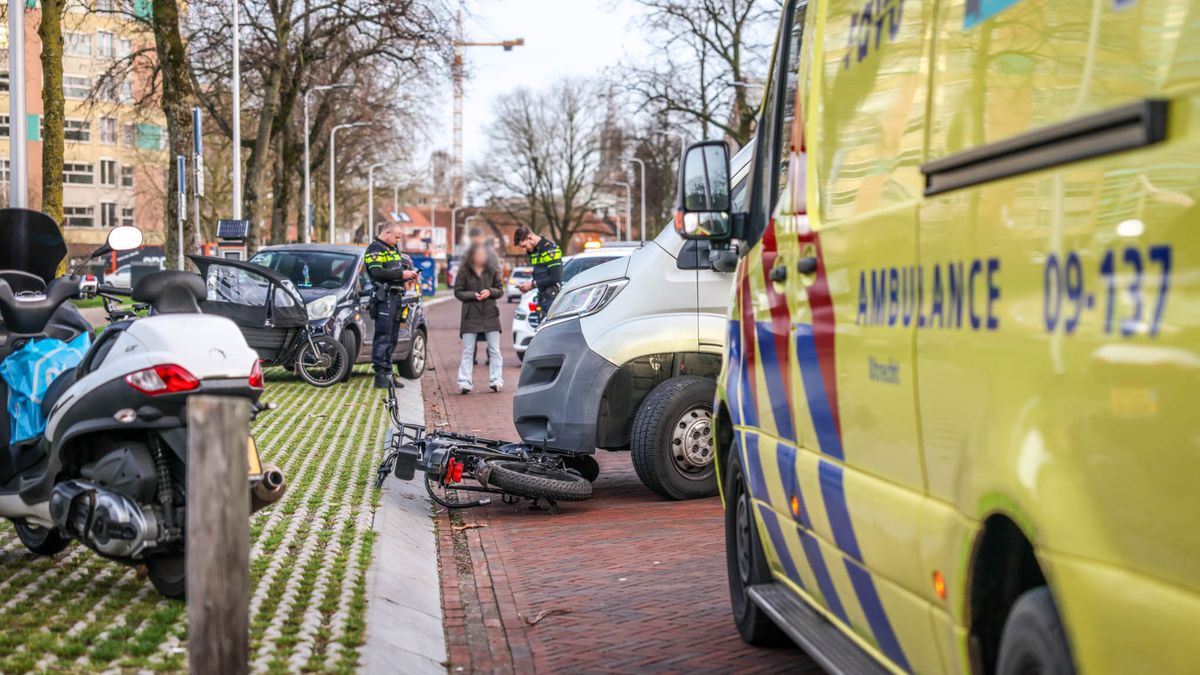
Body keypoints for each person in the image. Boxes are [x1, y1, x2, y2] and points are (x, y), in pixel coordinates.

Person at [365, 222, 419, 389]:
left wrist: (407, 277)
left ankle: (388, 372)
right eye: (396, 237)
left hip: (396, 297)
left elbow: (394, 273)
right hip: (384, 298)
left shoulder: (393, 249)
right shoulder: (375, 249)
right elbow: (377, 272)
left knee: (392, 337)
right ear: (387, 232)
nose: (398, 240)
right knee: (383, 336)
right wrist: (400, 274)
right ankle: (380, 375)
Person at [453, 242, 504, 394]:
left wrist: (489, 291)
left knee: (495, 350)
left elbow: (500, 290)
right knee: (468, 351)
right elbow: (458, 292)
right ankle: (464, 382)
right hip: (470, 316)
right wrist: (472, 295)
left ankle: (496, 381)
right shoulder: (464, 271)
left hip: (490, 315)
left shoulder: (493, 270)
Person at [513, 226, 563, 311]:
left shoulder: (549, 249)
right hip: (543, 297)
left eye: (524, 246)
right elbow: (542, 276)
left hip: (552, 298)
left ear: (530, 237)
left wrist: (532, 284)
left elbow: (556, 277)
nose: (525, 249)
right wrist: (529, 286)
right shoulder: (535, 252)